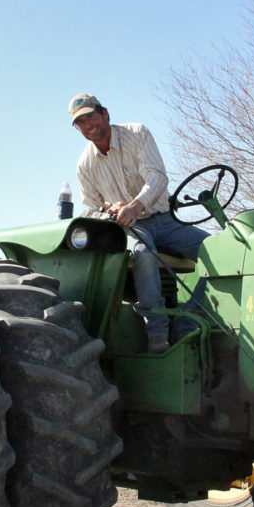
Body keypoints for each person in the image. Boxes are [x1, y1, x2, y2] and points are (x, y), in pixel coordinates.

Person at [69, 93, 209, 353]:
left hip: (165, 220)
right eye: (81, 123)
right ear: (77, 128)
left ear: (105, 114)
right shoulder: (84, 165)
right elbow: (89, 210)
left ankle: (188, 320)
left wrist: (135, 205)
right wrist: (111, 211)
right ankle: (156, 332)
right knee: (143, 252)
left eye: (91, 117)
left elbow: (157, 177)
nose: (89, 126)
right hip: (131, 228)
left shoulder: (137, 133)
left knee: (219, 251)